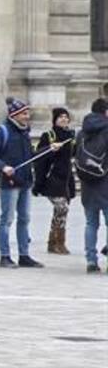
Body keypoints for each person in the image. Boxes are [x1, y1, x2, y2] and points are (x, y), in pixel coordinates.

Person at [0, 98, 44, 268]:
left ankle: (24, 255)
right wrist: (3, 167)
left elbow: (31, 156)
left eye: (27, 113)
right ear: (14, 115)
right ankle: (5, 256)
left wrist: (49, 149)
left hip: (25, 182)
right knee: (7, 219)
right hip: (9, 183)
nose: (27, 116)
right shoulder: (2, 131)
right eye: (24, 113)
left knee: (24, 218)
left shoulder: (25, 132)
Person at [32, 107, 77, 256]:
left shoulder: (71, 136)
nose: (64, 119)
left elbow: (75, 154)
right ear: (54, 120)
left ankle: (52, 243)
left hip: (66, 179)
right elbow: (38, 157)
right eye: (60, 117)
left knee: (59, 211)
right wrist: (51, 149)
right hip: (52, 179)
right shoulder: (49, 135)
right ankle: (59, 242)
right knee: (62, 208)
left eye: (66, 117)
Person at [78, 98, 108, 273]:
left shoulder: (82, 132)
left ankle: (91, 260)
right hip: (105, 183)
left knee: (91, 224)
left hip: (87, 184)